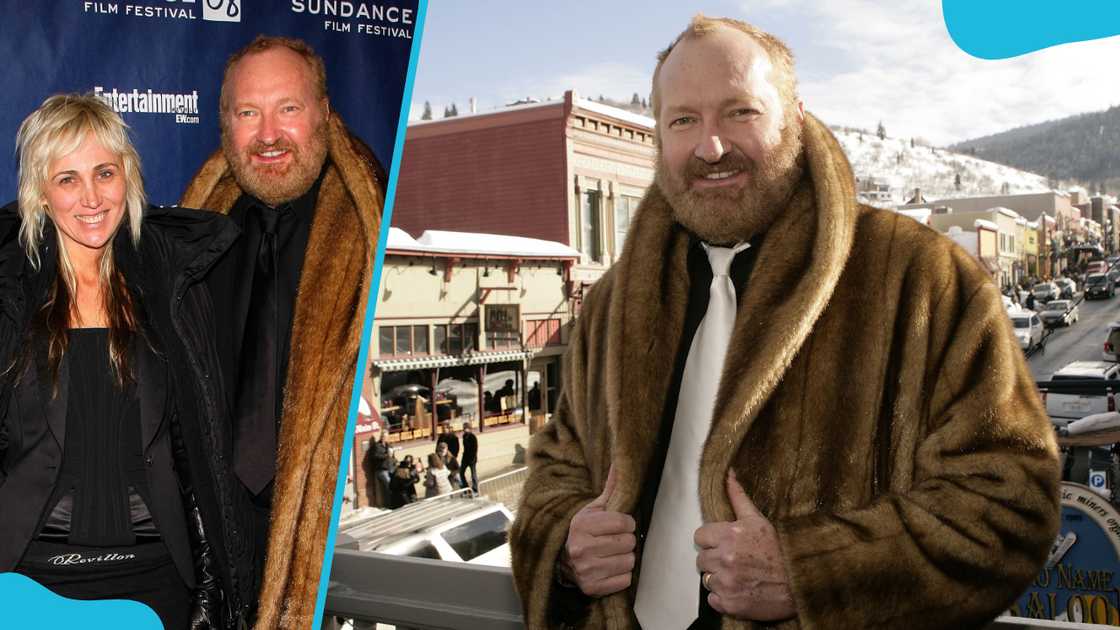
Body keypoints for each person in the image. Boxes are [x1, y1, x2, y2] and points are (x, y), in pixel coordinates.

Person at [508, 15, 1060, 630]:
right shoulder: (614, 303)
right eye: (683, 120)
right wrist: (564, 544)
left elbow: (1007, 504)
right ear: (660, 137)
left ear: (796, 116)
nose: (710, 146)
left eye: (740, 112)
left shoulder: (920, 280)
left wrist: (811, 572)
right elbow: (559, 465)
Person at [0, 94, 254, 628]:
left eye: (104, 172)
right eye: (67, 178)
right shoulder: (9, 296)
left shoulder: (169, 289)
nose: (90, 196)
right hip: (28, 581)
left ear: (128, 177)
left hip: (155, 580)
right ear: (40, 194)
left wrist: (209, 584)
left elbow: (194, 451)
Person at [180, 35, 386, 627]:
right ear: (226, 124)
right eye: (249, 113)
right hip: (210, 554)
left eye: (287, 109)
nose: (268, 134)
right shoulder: (194, 231)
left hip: (334, 555)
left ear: (323, 112)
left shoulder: (371, 226)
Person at [460, 421, 479, 493]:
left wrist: (472, 459)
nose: (465, 430)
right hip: (465, 457)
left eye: (466, 428)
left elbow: (475, 449)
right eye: (464, 428)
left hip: (472, 459)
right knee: (461, 473)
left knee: (473, 474)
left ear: (470, 429)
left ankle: (475, 488)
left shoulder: (472, 437)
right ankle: (466, 487)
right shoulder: (464, 436)